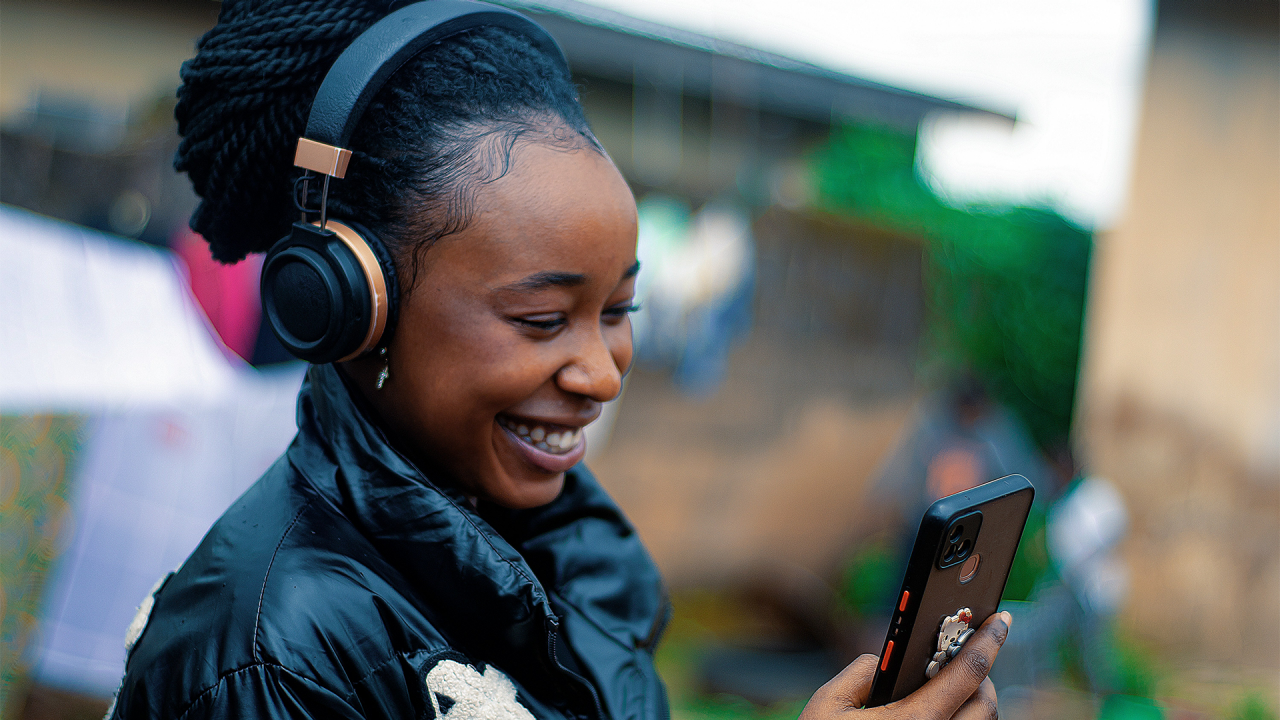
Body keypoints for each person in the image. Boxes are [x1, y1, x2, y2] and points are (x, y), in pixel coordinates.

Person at [108, 1, 1010, 717]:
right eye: (543, 319)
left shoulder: (571, 557)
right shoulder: (270, 657)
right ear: (348, 306)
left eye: (621, 310)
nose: (606, 372)